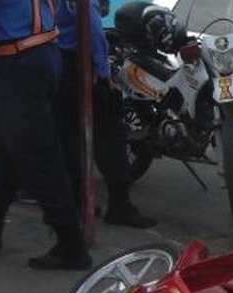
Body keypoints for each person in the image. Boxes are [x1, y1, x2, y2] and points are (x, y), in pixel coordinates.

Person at [0, 0, 92, 271]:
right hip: (43, 52)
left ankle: (70, 245)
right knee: (9, 144)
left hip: (17, 59)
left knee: (39, 154)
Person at [54, 0, 156, 229]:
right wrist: (102, 71)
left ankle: (79, 203)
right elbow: (91, 29)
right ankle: (119, 206)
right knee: (110, 137)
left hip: (58, 62)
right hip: (78, 64)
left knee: (68, 138)